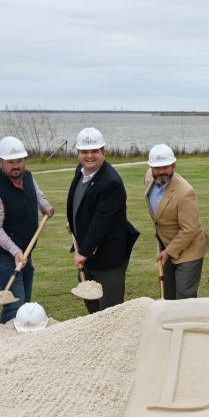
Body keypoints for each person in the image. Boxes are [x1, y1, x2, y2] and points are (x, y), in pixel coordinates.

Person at [66, 128, 139, 314]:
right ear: (78, 154)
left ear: (103, 153)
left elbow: (102, 220)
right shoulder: (80, 171)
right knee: (91, 303)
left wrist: (84, 252)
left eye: (94, 151)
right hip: (89, 252)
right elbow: (82, 203)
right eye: (84, 152)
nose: (89, 156)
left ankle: (113, 341)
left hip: (108, 256)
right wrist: (74, 222)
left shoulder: (110, 182)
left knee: (110, 310)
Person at [0, 137, 54, 324]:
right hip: (3, 256)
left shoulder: (27, 176)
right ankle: (7, 343)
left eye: (19, 161)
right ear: (0, 162)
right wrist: (15, 251)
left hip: (25, 251)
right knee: (15, 305)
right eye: (11, 162)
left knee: (25, 305)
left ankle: (24, 339)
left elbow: (35, 191)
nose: (16, 166)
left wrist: (44, 204)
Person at [144, 143, 209, 299]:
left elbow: (189, 230)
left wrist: (168, 251)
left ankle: (188, 323)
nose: (161, 172)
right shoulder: (148, 177)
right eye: (157, 168)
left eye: (166, 167)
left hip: (189, 249)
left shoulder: (185, 192)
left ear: (174, 166)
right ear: (151, 168)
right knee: (168, 294)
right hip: (166, 244)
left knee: (184, 296)